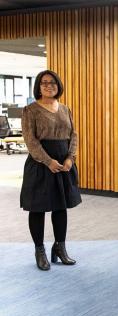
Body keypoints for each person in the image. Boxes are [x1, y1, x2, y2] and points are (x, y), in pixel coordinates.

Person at [21, 70, 82, 271]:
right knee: (37, 208)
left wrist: (70, 158)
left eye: (53, 82)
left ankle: (60, 248)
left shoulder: (65, 109)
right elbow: (30, 141)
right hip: (40, 165)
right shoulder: (31, 110)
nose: (49, 86)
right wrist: (48, 161)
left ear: (58, 85)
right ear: (38, 86)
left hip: (64, 164)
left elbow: (74, 135)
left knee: (60, 207)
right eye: (44, 83)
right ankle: (40, 250)